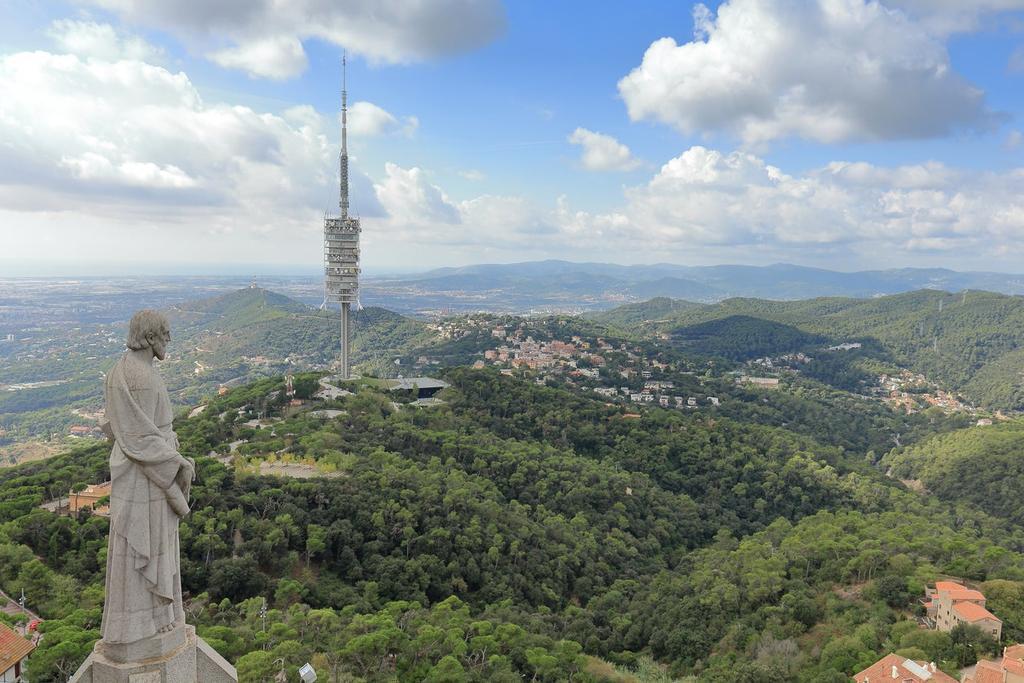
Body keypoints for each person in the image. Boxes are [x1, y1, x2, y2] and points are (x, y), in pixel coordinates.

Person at [100, 309, 195, 644]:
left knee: (144, 550)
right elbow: (140, 438)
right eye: (165, 333)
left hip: (137, 471)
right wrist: (177, 462)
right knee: (151, 549)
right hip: (148, 476)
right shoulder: (143, 377)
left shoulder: (117, 372)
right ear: (151, 336)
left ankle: (148, 622)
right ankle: (152, 624)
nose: (168, 339)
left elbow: (113, 427)